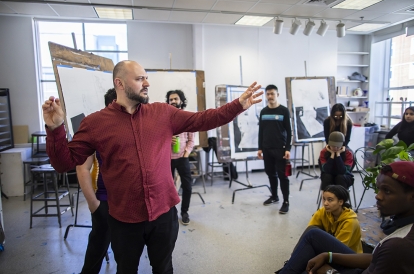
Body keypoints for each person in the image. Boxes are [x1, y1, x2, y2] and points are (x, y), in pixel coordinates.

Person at [42, 60, 262, 274]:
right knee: (126, 270)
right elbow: (64, 163)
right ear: (119, 84)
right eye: (140, 79)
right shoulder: (95, 123)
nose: (147, 83)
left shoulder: (162, 113)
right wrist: (56, 129)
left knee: (164, 268)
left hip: (163, 215)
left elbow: (203, 119)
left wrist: (237, 105)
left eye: (146, 78)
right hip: (124, 220)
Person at [284, 161, 414, 274]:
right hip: (369, 266)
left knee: (308, 268)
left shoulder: (399, 245)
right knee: (313, 234)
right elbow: (375, 258)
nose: (378, 196)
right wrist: (328, 256)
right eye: (379, 189)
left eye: (387, 190)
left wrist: (330, 272)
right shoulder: (406, 227)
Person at [276, 185, 362, 273]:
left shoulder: (350, 221)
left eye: (330, 200)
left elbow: (337, 251)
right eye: (324, 199)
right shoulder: (323, 212)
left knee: (306, 263)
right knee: (311, 232)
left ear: (340, 202)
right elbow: (308, 234)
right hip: (328, 253)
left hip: (347, 259)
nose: (325, 203)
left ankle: (289, 266)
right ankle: (291, 263)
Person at [77, 88, 116, 274]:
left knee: (127, 255)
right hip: (105, 202)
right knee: (97, 249)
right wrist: (94, 204)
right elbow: (82, 168)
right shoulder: (96, 129)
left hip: (130, 202)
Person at [257, 84, 292, 214]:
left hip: (280, 149)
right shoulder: (263, 112)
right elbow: (261, 131)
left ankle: (286, 201)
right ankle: (275, 196)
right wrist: (260, 147)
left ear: (277, 95)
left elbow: (289, 131)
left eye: (272, 93)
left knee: (283, 176)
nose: (270, 96)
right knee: (271, 173)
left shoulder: (284, 111)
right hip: (267, 148)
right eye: (268, 94)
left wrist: (288, 148)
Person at [166, 89, 195, 225]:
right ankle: (170, 213)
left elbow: (191, 139)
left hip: (183, 157)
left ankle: (184, 212)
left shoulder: (187, 117)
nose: (173, 101)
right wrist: (167, 139)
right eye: (171, 99)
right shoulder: (164, 119)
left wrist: (186, 153)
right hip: (167, 159)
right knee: (167, 187)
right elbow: (158, 138)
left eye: (175, 99)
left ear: (181, 101)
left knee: (187, 186)